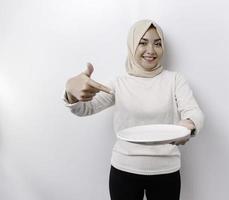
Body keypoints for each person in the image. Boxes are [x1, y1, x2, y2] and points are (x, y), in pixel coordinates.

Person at [63, 19, 204, 200]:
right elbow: (85, 109)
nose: (151, 50)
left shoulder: (175, 80)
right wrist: (70, 92)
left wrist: (189, 125)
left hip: (166, 171)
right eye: (143, 43)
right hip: (124, 171)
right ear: (131, 45)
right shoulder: (119, 83)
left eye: (157, 43)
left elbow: (194, 112)